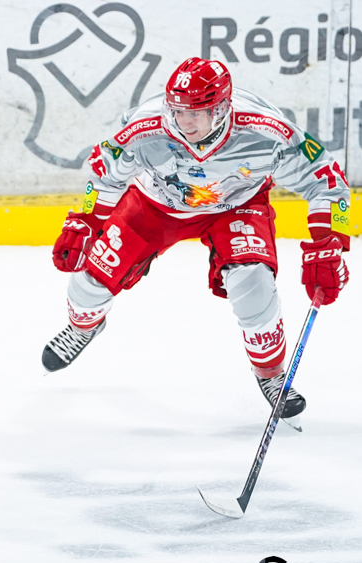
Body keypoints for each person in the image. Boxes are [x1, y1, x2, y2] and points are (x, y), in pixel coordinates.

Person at [43, 57, 350, 421]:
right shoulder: (145, 127)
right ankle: (84, 327)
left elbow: (330, 183)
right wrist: (84, 218)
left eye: (196, 113)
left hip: (236, 206)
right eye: (177, 111)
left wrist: (327, 244)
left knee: (253, 284)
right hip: (155, 205)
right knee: (87, 286)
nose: (183, 122)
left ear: (221, 109)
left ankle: (270, 374)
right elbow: (102, 175)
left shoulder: (267, 133)